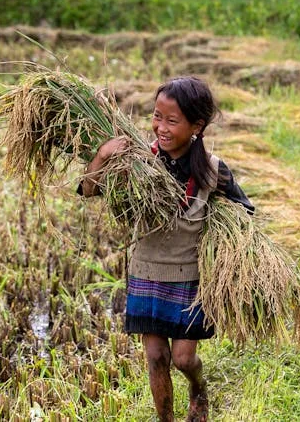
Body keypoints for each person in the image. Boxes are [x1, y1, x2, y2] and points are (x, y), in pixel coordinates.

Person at [80, 76, 254, 422]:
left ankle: (198, 388)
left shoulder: (214, 170)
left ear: (196, 126)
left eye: (171, 120)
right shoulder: (140, 161)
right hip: (147, 270)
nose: (160, 126)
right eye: (157, 116)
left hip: (190, 275)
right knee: (156, 357)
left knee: (183, 359)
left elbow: (245, 212)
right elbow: (87, 190)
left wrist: (228, 250)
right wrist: (102, 155)